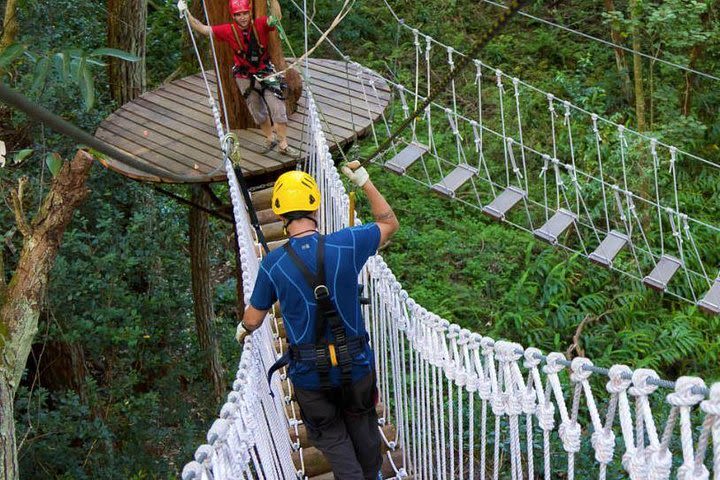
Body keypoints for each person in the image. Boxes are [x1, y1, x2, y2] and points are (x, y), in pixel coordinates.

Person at [237, 161, 399, 480]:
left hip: (310, 377)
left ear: (280, 216)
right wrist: (364, 181)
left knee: (333, 438)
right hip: (356, 367)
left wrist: (243, 329)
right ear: (315, 206)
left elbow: (254, 318)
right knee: (363, 427)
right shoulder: (348, 243)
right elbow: (388, 222)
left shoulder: (273, 265)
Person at [177, 0, 300, 158]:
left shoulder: (261, 24)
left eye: (244, 13)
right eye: (238, 14)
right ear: (233, 16)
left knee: (278, 108)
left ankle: (283, 144)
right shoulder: (228, 30)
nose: (242, 17)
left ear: (250, 13)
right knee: (257, 111)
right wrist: (186, 13)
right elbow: (203, 29)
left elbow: (276, 17)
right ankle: (270, 139)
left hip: (265, 73)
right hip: (244, 77)